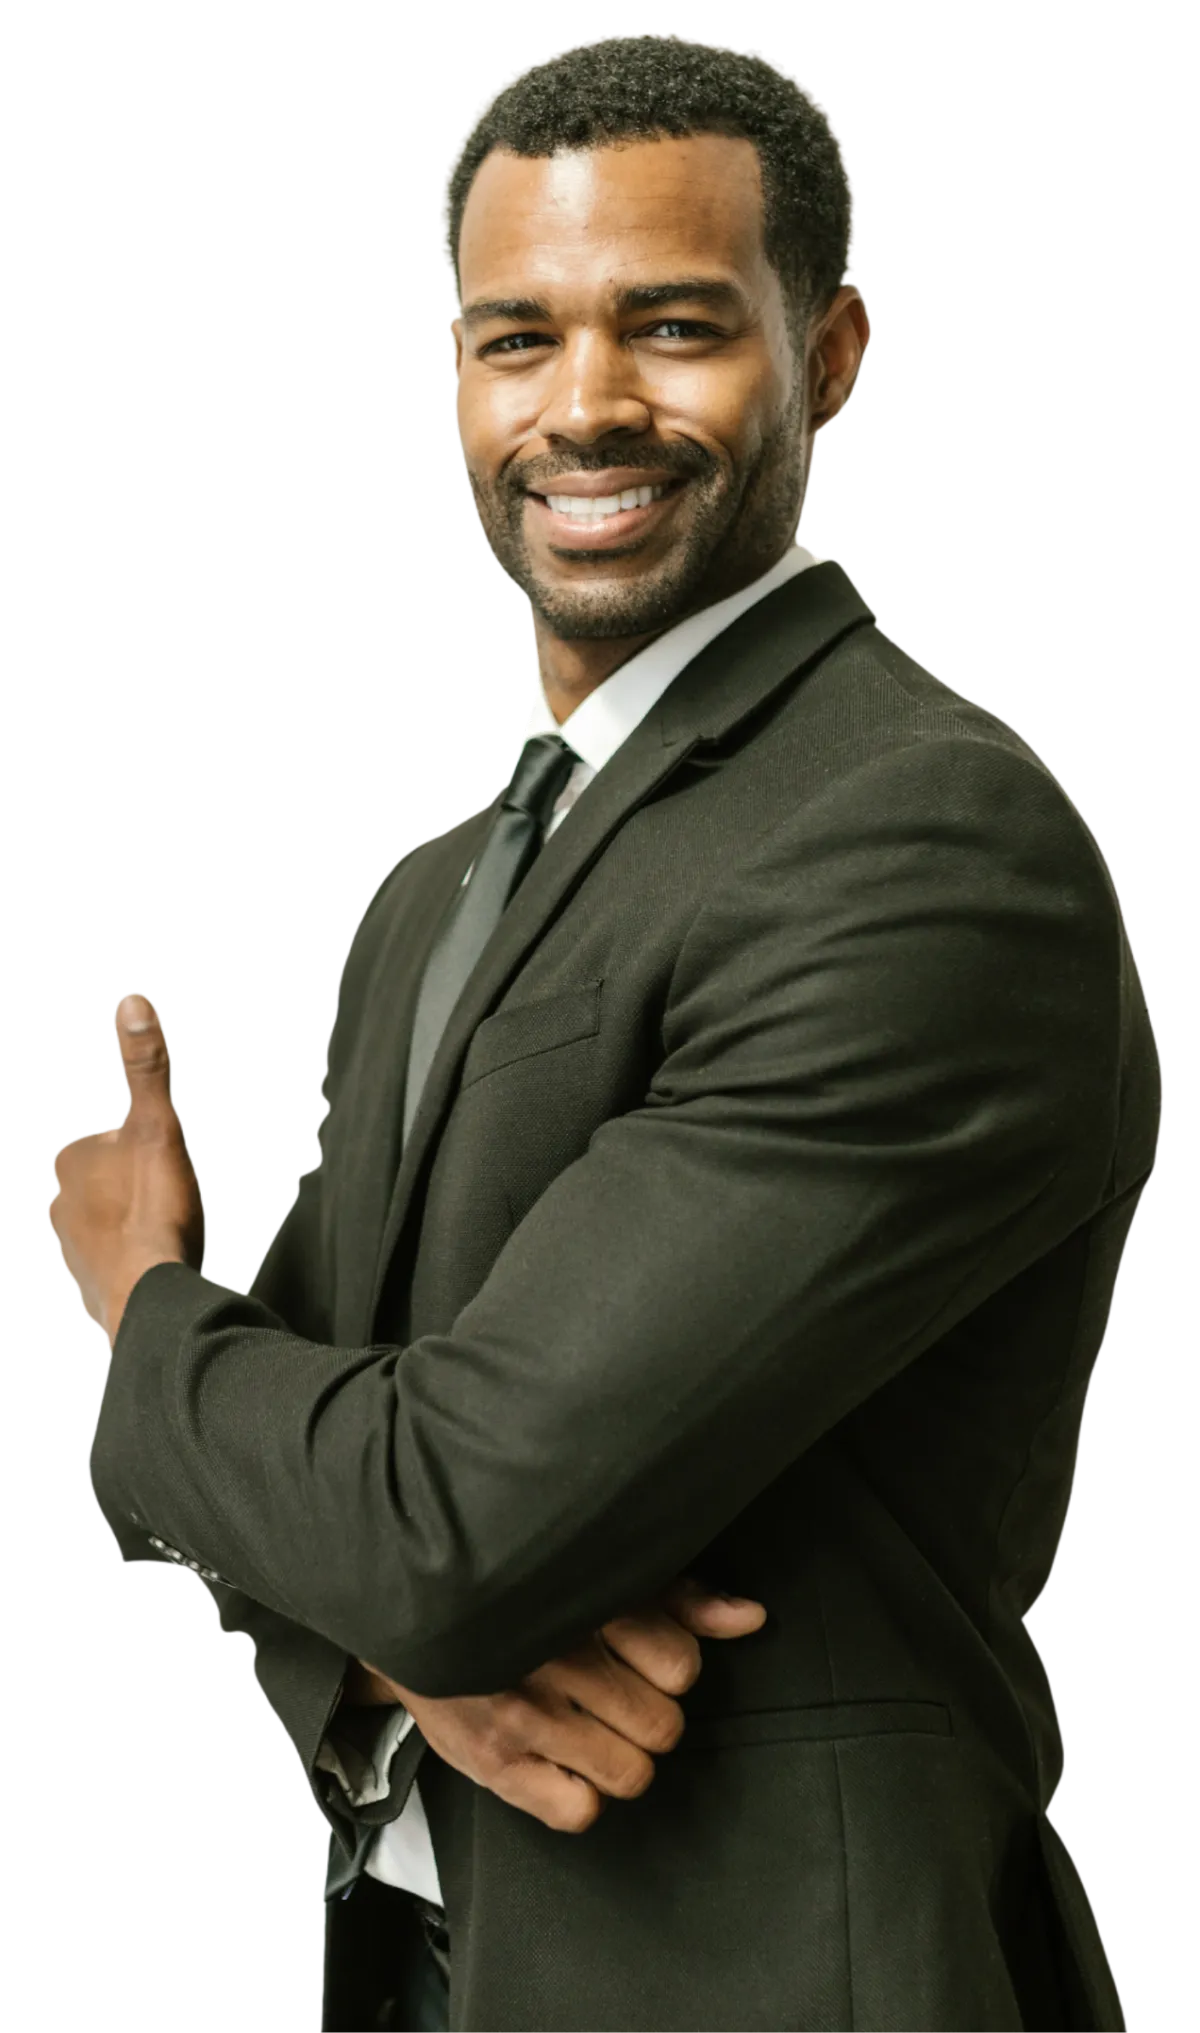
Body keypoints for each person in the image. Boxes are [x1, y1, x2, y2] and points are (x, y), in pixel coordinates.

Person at [87, 33, 1158, 2032]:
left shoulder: (923, 841)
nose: (586, 406)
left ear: (831, 356)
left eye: (674, 326)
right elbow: (320, 1483)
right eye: (517, 339)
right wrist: (400, 1651)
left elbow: (430, 1513)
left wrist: (140, 1291)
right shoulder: (430, 894)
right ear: (456, 377)